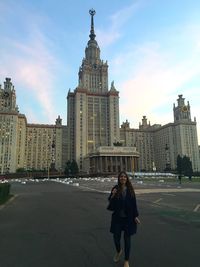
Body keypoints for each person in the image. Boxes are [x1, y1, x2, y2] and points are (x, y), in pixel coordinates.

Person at [107, 171, 140, 267]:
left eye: (125, 177)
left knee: (127, 240)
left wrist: (135, 216)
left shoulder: (130, 189)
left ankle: (126, 260)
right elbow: (111, 203)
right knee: (116, 238)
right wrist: (112, 195)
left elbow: (134, 204)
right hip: (117, 218)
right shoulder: (115, 188)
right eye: (121, 176)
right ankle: (118, 251)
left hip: (128, 219)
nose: (123, 178)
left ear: (127, 179)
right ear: (119, 178)